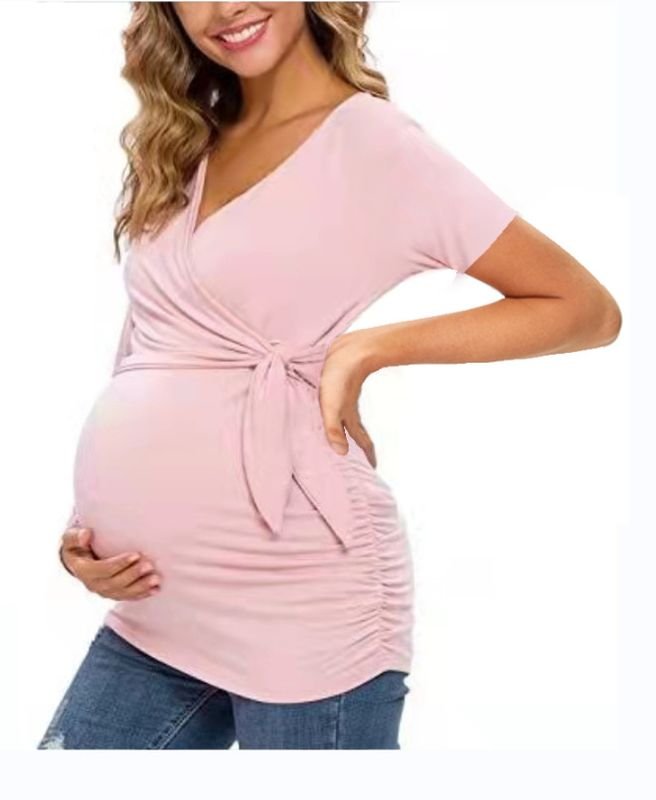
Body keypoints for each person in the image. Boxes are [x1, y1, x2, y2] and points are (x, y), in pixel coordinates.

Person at [37, 2, 621, 750]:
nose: (224, 8)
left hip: (304, 600)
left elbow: (584, 308)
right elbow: (149, 350)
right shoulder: (186, 140)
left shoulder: (373, 143)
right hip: (154, 603)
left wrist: (367, 349)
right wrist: (90, 529)